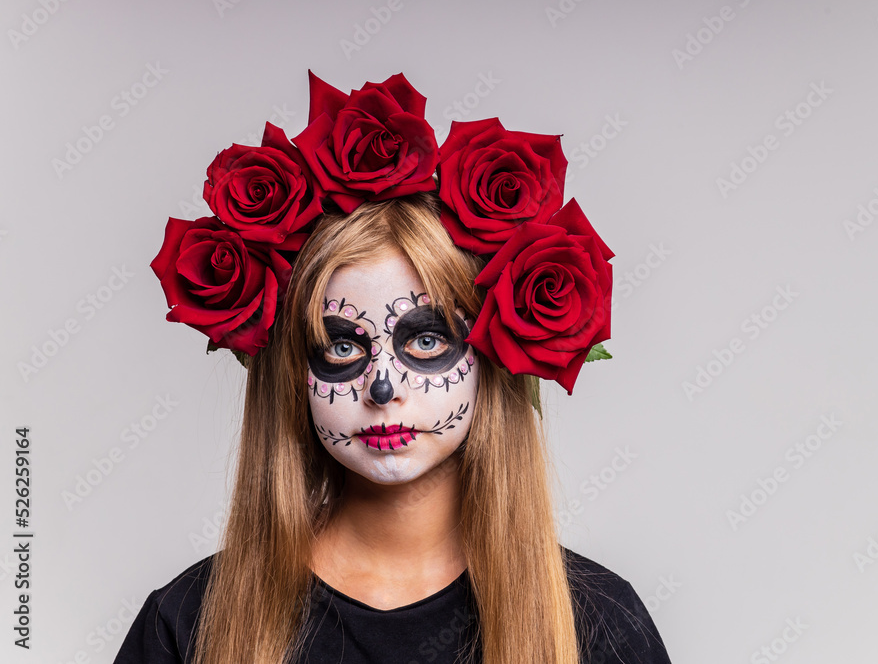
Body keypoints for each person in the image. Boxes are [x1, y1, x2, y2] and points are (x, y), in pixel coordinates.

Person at [120, 72, 672, 663]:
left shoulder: (600, 627)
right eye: (340, 348)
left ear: (491, 354)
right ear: (290, 372)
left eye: (428, 340)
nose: (383, 387)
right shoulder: (188, 622)